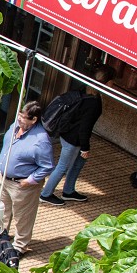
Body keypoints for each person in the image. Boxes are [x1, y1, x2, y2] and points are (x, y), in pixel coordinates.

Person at [40, 70, 109, 206]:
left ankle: (69, 191)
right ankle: (46, 194)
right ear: (106, 83)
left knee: (78, 163)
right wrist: (85, 147)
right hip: (73, 139)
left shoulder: (84, 91)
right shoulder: (93, 102)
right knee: (63, 166)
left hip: (67, 134)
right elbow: (85, 127)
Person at [0, 100, 55, 254]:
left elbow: (47, 166)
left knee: (23, 218)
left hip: (22, 185)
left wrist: (29, 181)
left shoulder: (41, 140)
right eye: (20, 115)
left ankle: (20, 247)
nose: (20, 119)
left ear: (34, 119)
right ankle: (1, 237)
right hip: (4, 180)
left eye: (24, 117)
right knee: (3, 211)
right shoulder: (15, 126)